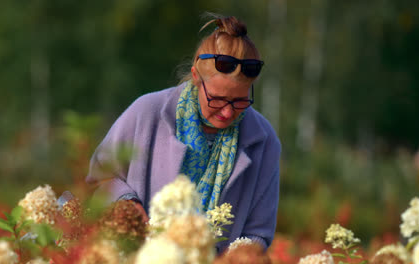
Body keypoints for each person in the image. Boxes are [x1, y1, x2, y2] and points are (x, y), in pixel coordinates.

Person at [86, 14, 281, 253]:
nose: (229, 112)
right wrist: (126, 204)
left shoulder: (264, 141)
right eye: (218, 99)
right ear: (196, 77)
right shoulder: (147, 113)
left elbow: (258, 233)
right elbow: (100, 179)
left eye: (240, 101)